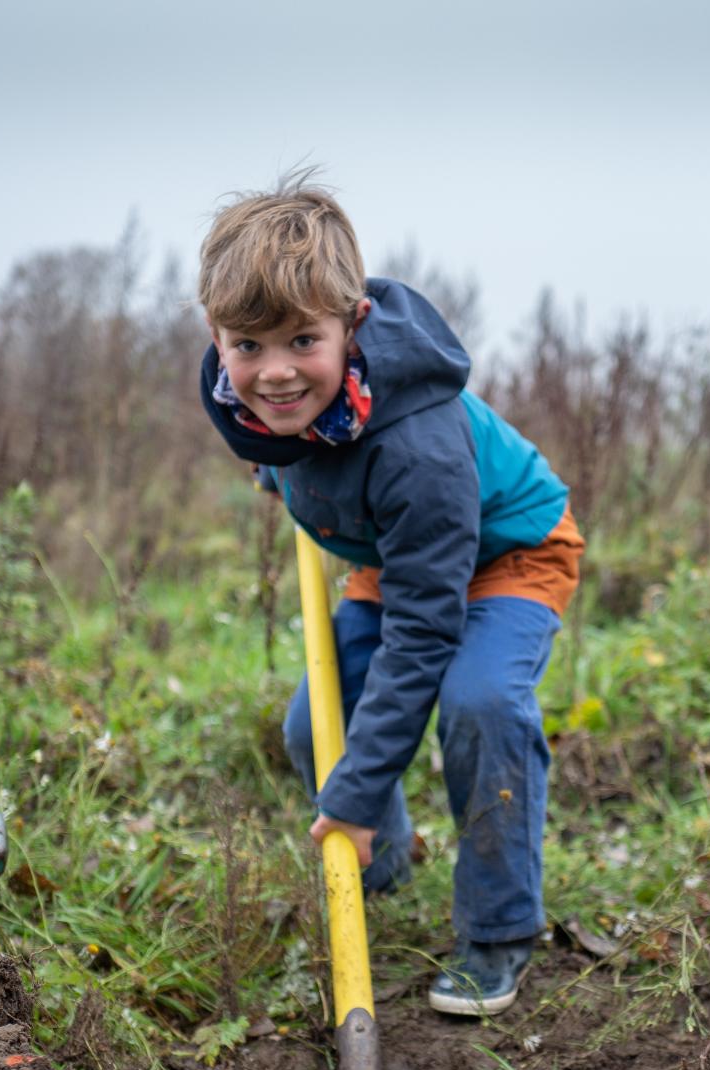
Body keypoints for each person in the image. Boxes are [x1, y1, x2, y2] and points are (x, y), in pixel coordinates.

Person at [195, 176, 582, 1016]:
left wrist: (357, 795)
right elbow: (278, 441)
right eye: (248, 346)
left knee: (479, 702)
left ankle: (497, 932)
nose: (275, 372)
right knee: (312, 726)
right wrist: (277, 470)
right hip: (396, 557)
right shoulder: (253, 397)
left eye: (303, 340)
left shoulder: (419, 450)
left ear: (353, 325)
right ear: (216, 337)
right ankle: (385, 863)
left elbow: (423, 635)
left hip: (506, 554)